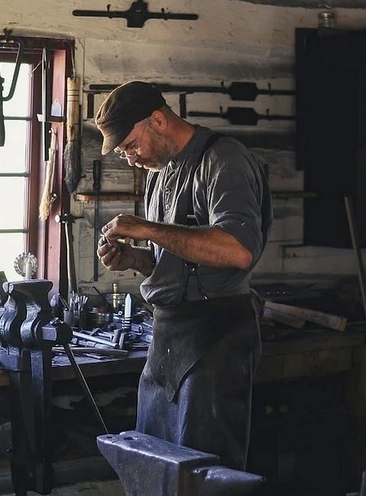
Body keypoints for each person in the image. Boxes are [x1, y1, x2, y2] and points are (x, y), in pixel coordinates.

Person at [94, 80, 272, 471]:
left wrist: (149, 228)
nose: (130, 160)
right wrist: (134, 259)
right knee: (155, 464)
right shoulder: (160, 175)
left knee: (203, 472)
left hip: (216, 336)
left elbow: (237, 250)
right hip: (169, 337)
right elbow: (176, 262)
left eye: (130, 146)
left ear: (158, 120)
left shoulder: (223, 159)